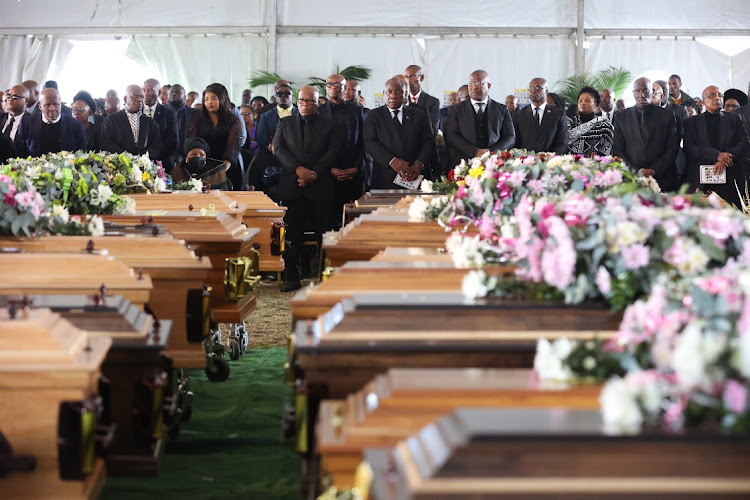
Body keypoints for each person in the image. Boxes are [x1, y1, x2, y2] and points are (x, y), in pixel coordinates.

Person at [273, 85, 343, 292]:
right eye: (302, 101)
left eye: (309, 101)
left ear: (317, 102)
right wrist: (298, 170)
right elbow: (280, 149)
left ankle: (324, 277)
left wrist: (313, 174)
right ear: (297, 102)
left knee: (324, 233)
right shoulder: (285, 123)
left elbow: (334, 152)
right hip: (293, 187)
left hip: (320, 188)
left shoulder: (330, 125)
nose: (305, 105)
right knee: (293, 235)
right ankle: (292, 277)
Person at [364, 77, 435, 190]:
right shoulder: (373, 116)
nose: (392, 96)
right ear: (384, 94)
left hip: (415, 175)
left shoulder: (419, 115)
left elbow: (428, 142)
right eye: (389, 92)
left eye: (398, 91)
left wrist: (419, 164)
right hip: (385, 177)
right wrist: (391, 161)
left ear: (406, 94)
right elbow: (370, 143)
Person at [685, 86, 750, 208]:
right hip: (703, 182)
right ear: (704, 101)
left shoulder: (734, 118)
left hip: (730, 180)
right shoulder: (692, 122)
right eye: (712, 95)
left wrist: (725, 159)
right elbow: (690, 149)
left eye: (720, 95)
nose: (717, 98)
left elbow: (745, 143)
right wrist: (717, 156)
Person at [613, 77, 679, 191]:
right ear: (633, 93)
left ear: (652, 92)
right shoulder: (621, 117)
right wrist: (636, 171)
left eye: (645, 91)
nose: (641, 95)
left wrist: (654, 170)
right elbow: (618, 149)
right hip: (632, 178)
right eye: (637, 91)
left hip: (663, 178)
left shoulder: (667, 116)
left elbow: (673, 148)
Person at [318, 74, 366, 221]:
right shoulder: (318, 111)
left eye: (337, 84)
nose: (333, 87)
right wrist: (329, 169)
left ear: (344, 88)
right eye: (329, 85)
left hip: (352, 172)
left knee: (353, 219)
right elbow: (315, 146)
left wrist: (357, 167)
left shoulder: (356, 111)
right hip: (327, 174)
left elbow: (364, 141)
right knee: (328, 220)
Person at [443, 70, 515, 167]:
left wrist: (491, 153)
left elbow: (510, 136)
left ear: (488, 85)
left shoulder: (501, 109)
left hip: (494, 163)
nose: (474, 87)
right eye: (471, 83)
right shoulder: (456, 109)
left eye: (479, 83)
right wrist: (474, 152)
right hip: (463, 164)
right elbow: (450, 135)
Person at [186, 83, 243, 190]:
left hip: (227, 165)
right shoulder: (197, 118)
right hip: (201, 164)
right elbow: (191, 141)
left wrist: (221, 169)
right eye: (206, 99)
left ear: (223, 99)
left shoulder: (233, 121)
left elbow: (233, 147)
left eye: (214, 98)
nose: (210, 102)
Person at [16, 88, 86, 157]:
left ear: (61, 104)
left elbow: (80, 156)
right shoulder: (27, 123)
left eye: (56, 104)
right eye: (47, 105)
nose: (52, 109)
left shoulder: (76, 126)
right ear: (40, 106)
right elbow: (21, 153)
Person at [101, 84, 161, 159]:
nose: (139, 100)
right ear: (125, 99)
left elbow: (156, 146)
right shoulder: (111, 120)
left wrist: (142, 158)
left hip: (144, 165)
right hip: (119, 164)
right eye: (135, 96)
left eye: (142, 97)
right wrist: (128, 157)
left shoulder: (150, 123)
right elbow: (107, 144)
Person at [513, 78, 568, 154]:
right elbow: (515, 142)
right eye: (531, 88)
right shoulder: (519, 114)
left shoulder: (558, 114)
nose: (533, 90)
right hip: (526, 161)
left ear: (546, 91)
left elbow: (563, 142)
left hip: (550, 162)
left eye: (538, 88)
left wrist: (550, 158)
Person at [143, 78, 179, 173]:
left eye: (150, 90)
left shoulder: (169, 114)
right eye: (144, 90)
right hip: (139, 162)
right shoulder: (136, 112)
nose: (146, 93)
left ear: (159, 93)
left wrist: (152, 155)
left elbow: (172, 141)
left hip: (163, 162)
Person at [567, 86, 613, 156]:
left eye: (587, 101)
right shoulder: (570, 123)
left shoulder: (605, 125)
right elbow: (564, 146)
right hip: (571, 164)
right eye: (580, 101)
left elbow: (606, 150)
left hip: (597, 164)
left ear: (595, 104)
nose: (583, 103)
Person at [256, 82, 298, 148]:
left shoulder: (300, 113)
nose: (283, 96)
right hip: (272, 152)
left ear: (292, 97)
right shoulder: (265, 116)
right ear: (275, 97)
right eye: (279, 94)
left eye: (287, 93)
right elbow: (261, 137)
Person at [404, 65, 440, 136]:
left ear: (422, 78)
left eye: (413, 76)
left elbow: (433, 129)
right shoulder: (402, 100)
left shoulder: (432, 102)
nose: (409, 80)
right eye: (406, 77)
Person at [167, 84, 193, 166]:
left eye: (178, 92)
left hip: (188, 155)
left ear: (185, 97)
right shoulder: (160, 112)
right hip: (166, 156)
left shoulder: (194, 113)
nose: (174, 94)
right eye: (171, 92)